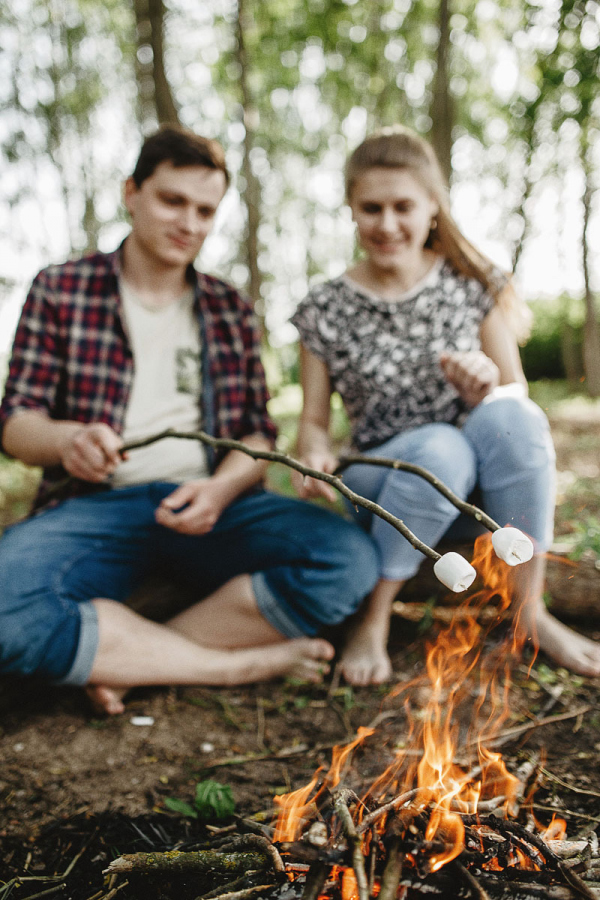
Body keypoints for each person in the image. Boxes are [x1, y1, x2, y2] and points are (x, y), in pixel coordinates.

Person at [0, 125, 379, 715]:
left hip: (214, 506)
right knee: (6, 605)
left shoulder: (228, 308)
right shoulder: (61, 288)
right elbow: (16, 422)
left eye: (206, 210)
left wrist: (220, 487)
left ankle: (132, 663)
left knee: (346, 559)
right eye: (172, 201)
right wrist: (68, 439)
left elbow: (257, 432)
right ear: (132, 193)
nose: (190, 223)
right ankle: (236, 665)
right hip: (93, 507)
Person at [292, 125, 600, 686]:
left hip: (476, 500)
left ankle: (529, 611)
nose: (387, 224)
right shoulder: (324, 307)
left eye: (403, 206)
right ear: (352, 210)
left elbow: (515, 397)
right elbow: (313, 424)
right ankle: (375, 615)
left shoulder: (471, 284)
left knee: (513, 416)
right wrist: (313, 456)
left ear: (433, 206)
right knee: (441, 445)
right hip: (381, 491)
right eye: (372, 208)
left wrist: (486, 388)